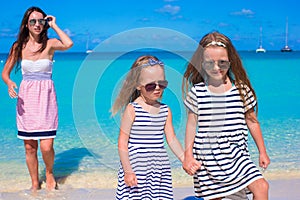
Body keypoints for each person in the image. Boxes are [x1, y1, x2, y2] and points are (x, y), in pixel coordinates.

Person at [182, 32, 270, 200]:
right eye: (210, 63)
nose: (216, 68)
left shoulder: (242, 90)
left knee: (261, 186)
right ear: (201, 63)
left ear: (230, 61)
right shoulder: (198, 92)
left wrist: (262, 151)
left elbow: (252, 121)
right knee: (216, 197)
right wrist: (188, 156)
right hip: (209, 157)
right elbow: (191, 125)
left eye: (222, 62)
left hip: (238, 154)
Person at [2, 6, 73, 191]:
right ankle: (34, 182)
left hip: (46, 98)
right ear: (26, 24)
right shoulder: (18, 46)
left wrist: (55, 25)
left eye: (41, 21)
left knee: (47, 146)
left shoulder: (50, 44)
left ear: (45, 23)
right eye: (32, 21)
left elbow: (69, 44)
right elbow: (5, 73)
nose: (37, 24)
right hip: (26, 99)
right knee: (29, 147)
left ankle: (49, 172)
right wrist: (9, 83)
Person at [112, 55, 197, 200]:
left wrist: (185, 159)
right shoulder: (132, 109)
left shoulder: (165, 110)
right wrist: (128, 171)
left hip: (159, 168)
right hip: (136, 168)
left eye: (162, 84)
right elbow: (122, 143)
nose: (157, 88)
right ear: (138, 85)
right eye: (151, 85)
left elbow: (171, 139)